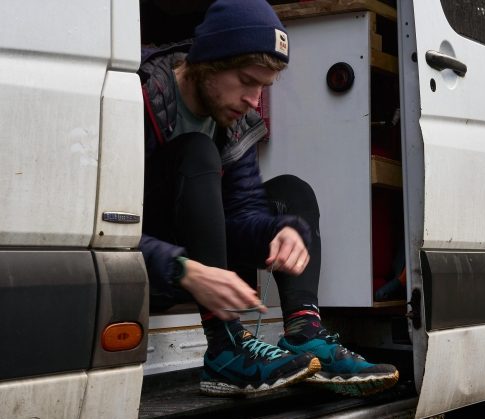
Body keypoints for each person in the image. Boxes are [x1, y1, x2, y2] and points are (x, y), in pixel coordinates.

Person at [139, 0, 399, 397]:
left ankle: (303, 333)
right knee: (197, 151)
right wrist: (183, 270)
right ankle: (224, 343)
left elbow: (242, 214)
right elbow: (99, 229)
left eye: (263, 87)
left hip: (204, 253)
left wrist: (284, 231)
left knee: (292, 193)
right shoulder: (141, 93)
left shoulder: (235, 117)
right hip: (149, 263)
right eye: (246, 80)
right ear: (209, 61)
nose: (253, 99)